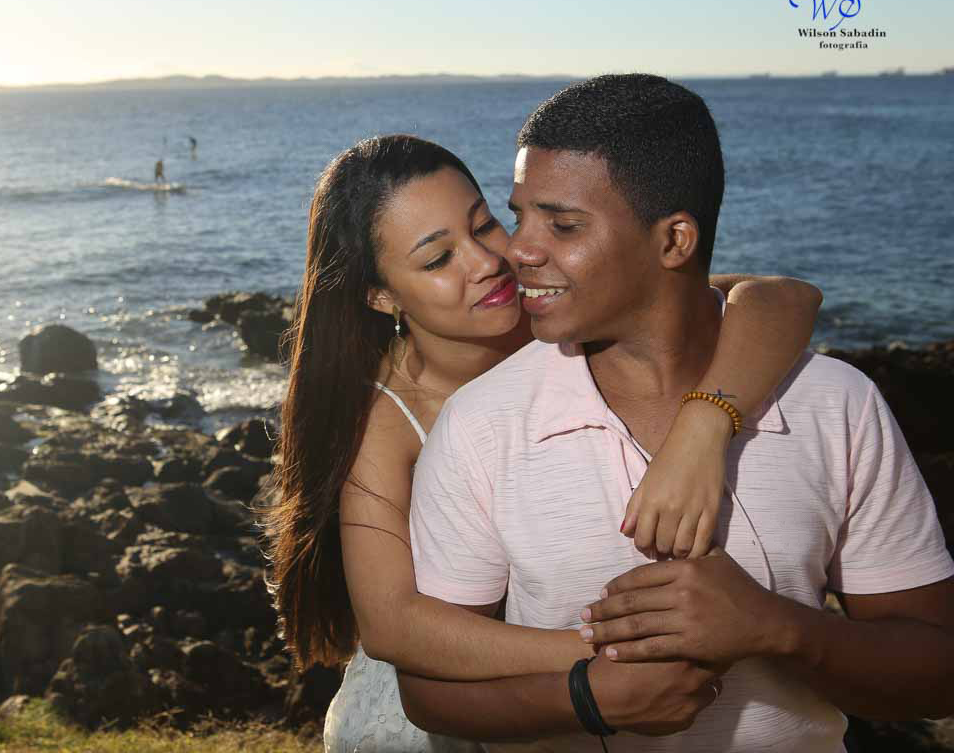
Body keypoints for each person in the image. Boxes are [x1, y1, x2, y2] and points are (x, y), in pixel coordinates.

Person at [400, 75, 954, 751]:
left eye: (562, 224)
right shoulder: (480, 426)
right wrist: (586, 699)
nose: (517, 249)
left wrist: (778, 629)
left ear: (674, 241)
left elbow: (937, 675)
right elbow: (428, 690)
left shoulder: (835, 404)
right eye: (520, 215)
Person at [263, 133, 824, 752]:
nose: (485, 262)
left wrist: (702, 426)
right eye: (437, 259)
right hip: (442, 712)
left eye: (484, 226)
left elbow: (781, 298)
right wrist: (614, 651)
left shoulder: (559, 313)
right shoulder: (384, 423)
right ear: (381, 295)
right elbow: (395, 627)